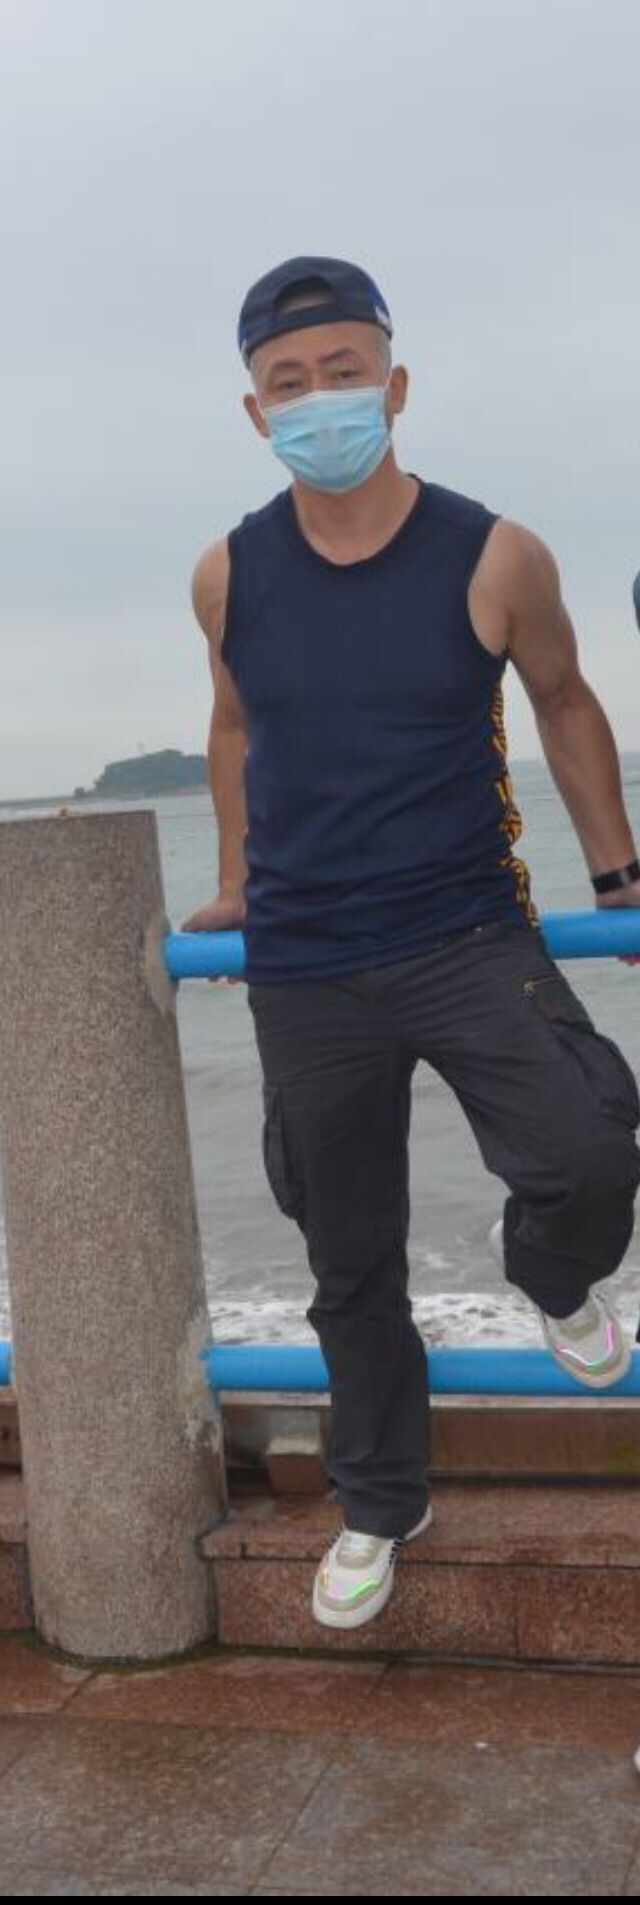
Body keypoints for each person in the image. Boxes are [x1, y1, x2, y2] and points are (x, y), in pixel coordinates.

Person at [183, 255, 640, 1631]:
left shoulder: (494, 553)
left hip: (465, 928)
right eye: (288, 383)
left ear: (394, 384)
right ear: (255, 412)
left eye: (343, 372)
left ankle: (549, 1275)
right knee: (348, 1254)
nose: (318, 399)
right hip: (306, 962)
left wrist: (619, 877)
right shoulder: (228, 572)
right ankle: (382, 1503)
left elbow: (565, 700)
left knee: (588, 1144)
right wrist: (233, 879)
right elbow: (236, 726)